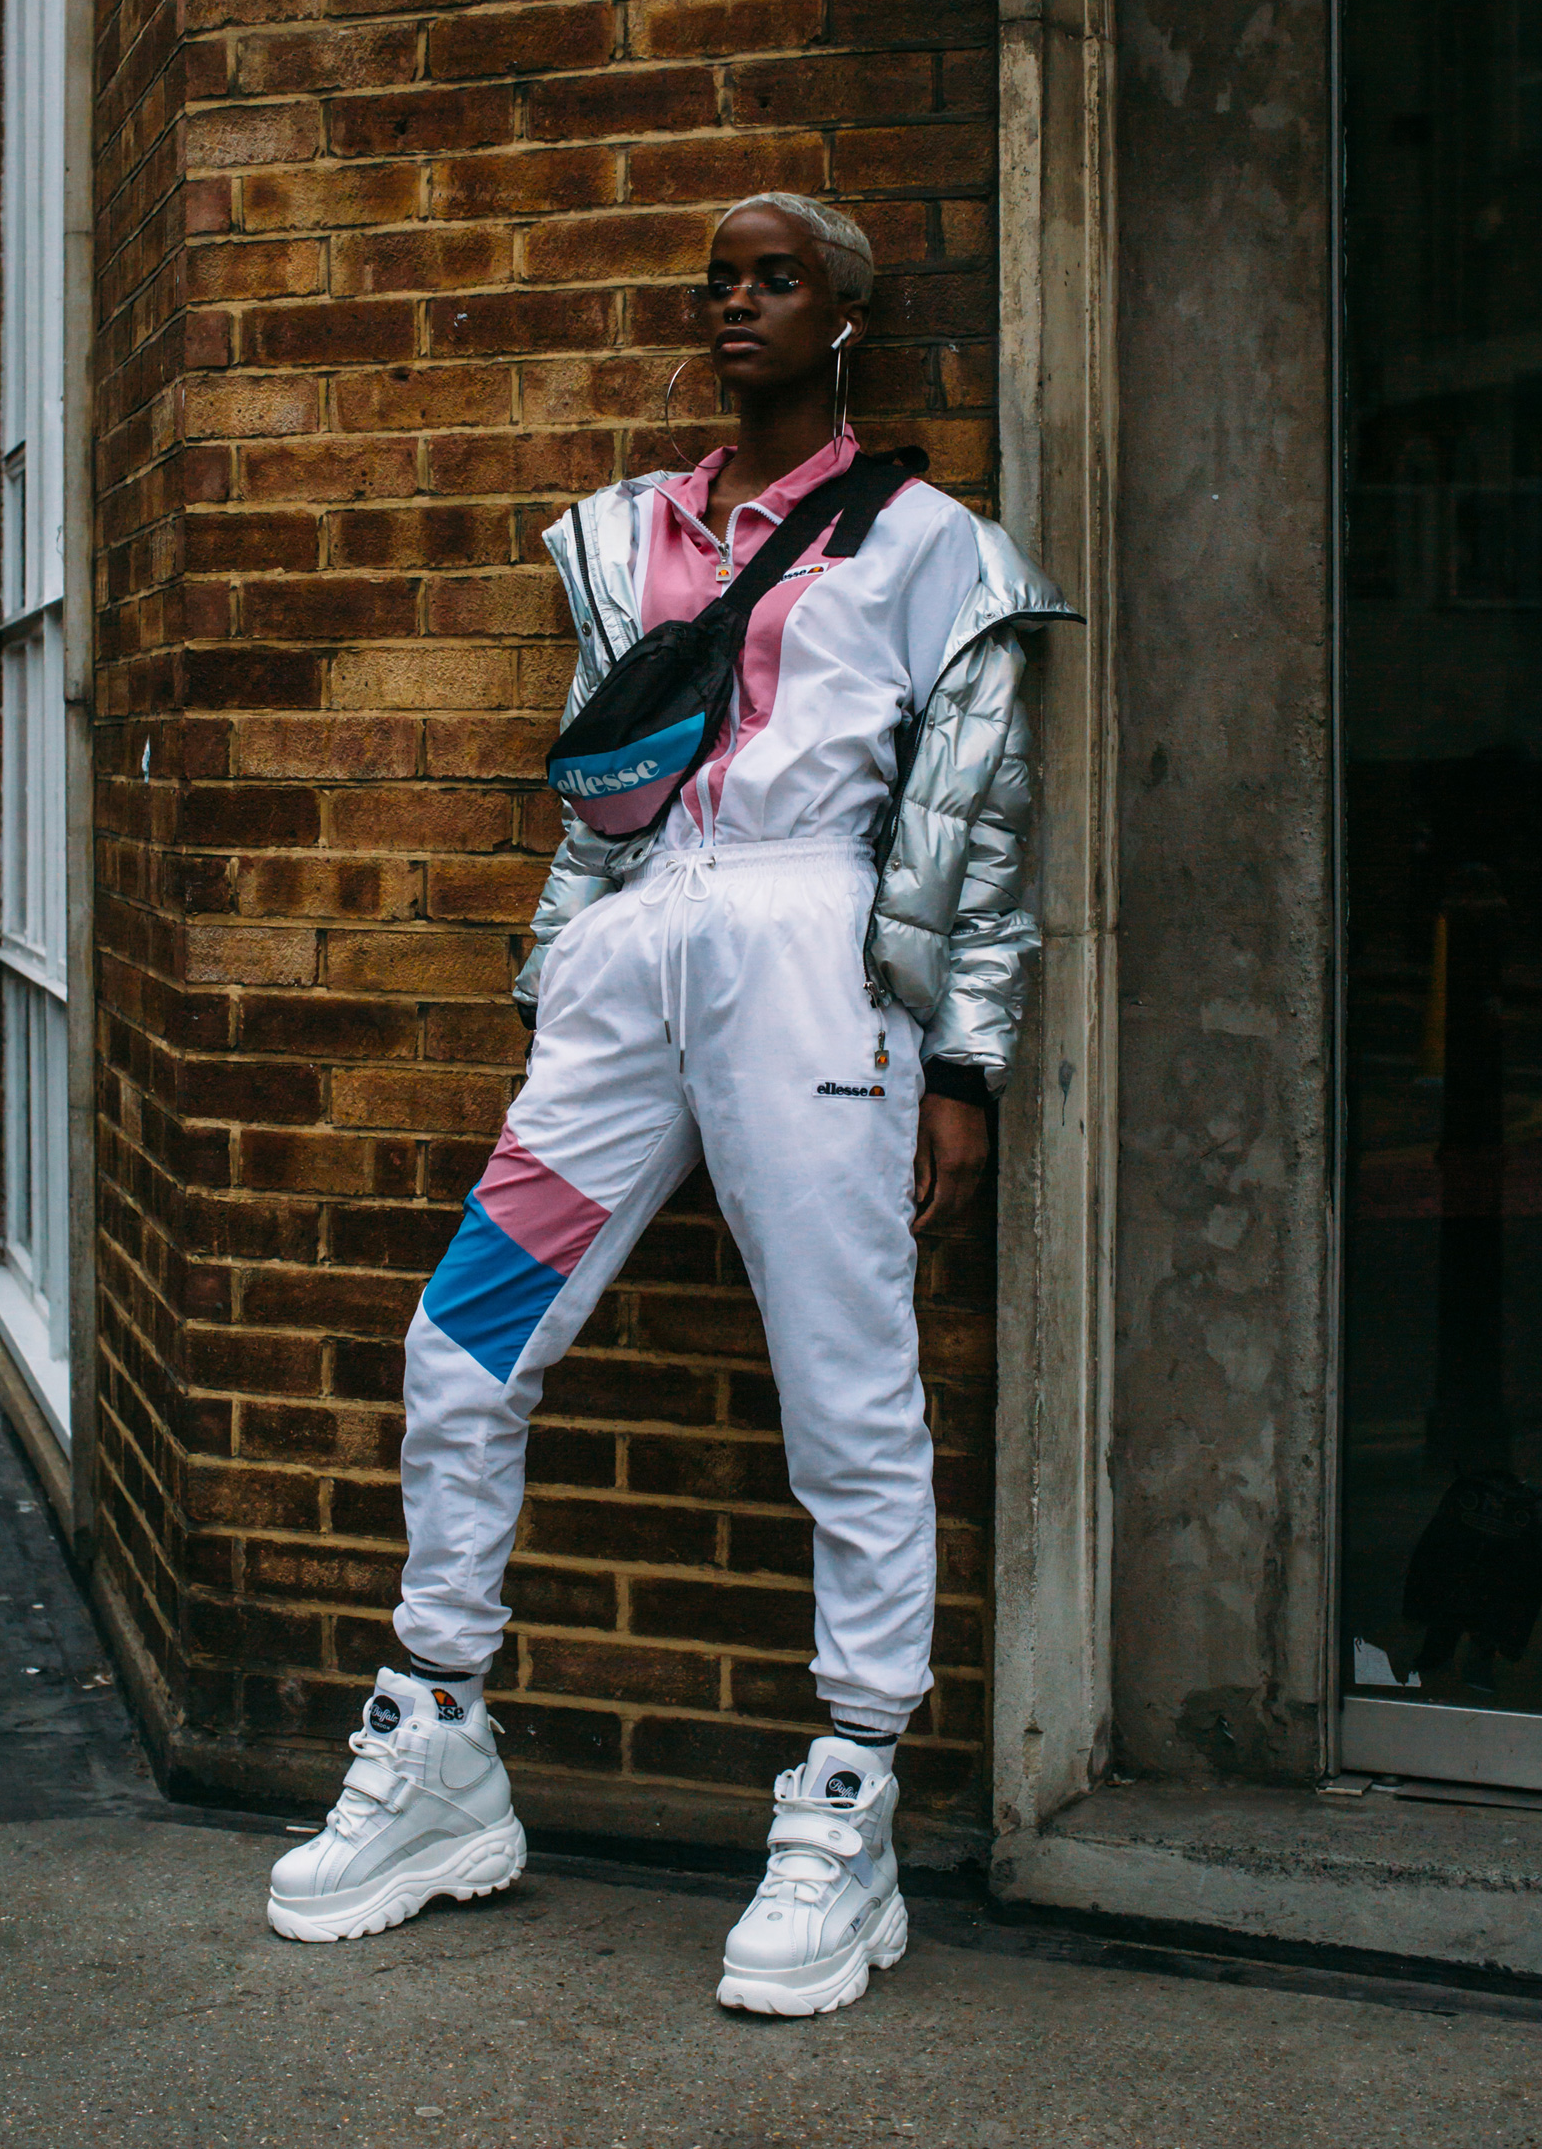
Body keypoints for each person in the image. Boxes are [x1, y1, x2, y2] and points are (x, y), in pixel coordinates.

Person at [266, 194, 1074, 2013]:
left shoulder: (932, 546)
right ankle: (439, 1737)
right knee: (465, 1335)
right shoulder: (632, 530)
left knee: (846, 1382)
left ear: (846, 314)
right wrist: (559, 984)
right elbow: (600, 790)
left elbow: (981, 825)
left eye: (777, 279)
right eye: (719, 281)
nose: (738, 304)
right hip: (630, 967)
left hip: (813, 963)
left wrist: (964, 1069)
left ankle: (850, 1793)